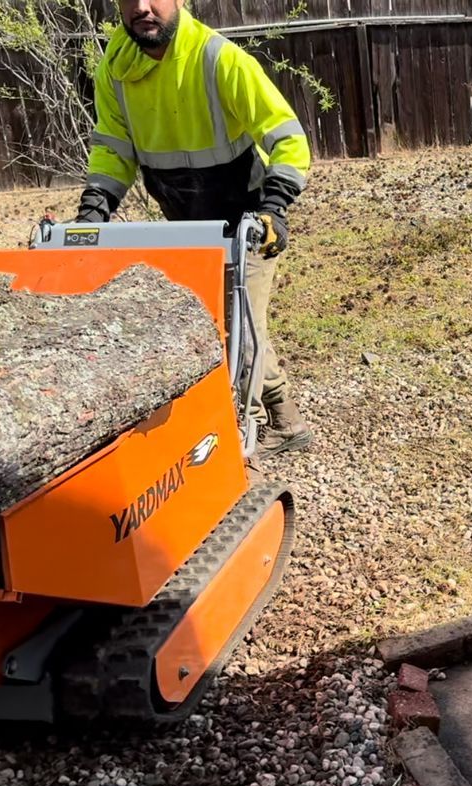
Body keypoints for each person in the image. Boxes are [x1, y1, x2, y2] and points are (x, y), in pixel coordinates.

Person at [75, 0, 313, 459]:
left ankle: (242, 440)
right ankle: (286, 420)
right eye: (129, 0)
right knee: (220, 327)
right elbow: (113, 149)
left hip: (247, 221)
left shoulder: (219, 59)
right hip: (184, 225)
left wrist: (275, 207)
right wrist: (94, 208)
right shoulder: (115, 70)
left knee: (238, 329)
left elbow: (287, 137)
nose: (142, 8)